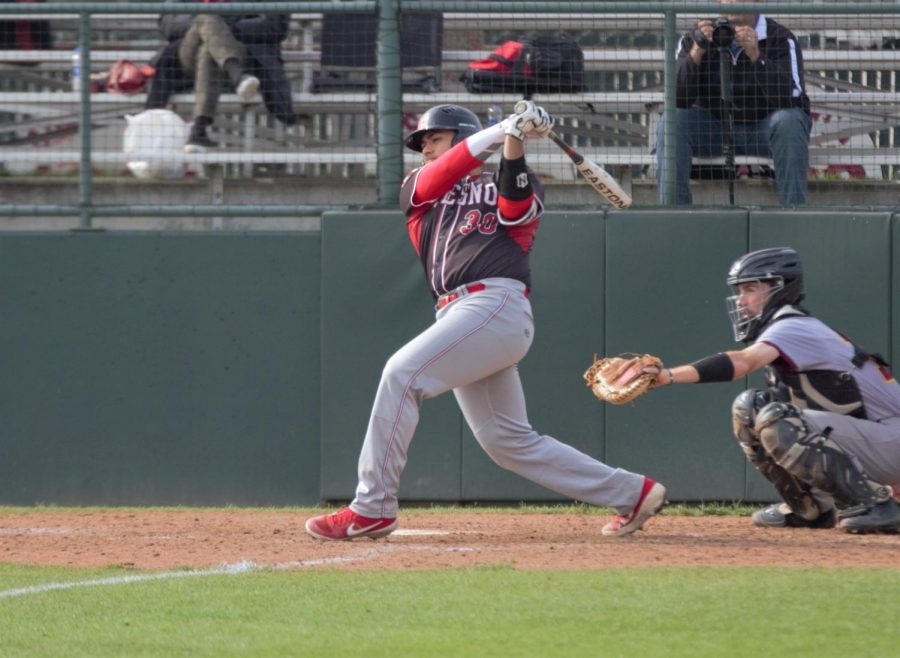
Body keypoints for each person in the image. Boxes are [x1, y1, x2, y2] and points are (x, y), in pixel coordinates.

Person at [305, 102, 667, 541]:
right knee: (507, 441)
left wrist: (513, 138)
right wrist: (504, 128)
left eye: (434, 139)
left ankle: (372, 508)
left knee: (401, 374)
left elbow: (515, 208)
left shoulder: (513, 182)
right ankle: (632, 493)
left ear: (459, 136)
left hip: (494, 304)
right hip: (461, 314)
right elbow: (444, 173)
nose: (426, 150)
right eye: (422, 143)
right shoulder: (419, 189)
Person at [643, 247, 900, 534]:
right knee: (750, 407)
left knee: (776, 418)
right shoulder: (785, 328)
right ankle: (811, 508)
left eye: (750, 289)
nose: (741, 300)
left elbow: (742, 363)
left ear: (779, 288)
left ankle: (874, 504)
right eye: (739, 290)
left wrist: (667, 376)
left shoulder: (793, 326)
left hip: (891, 439)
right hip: (874, 439)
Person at [656, 0, 811, 206]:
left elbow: (792, 97)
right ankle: (673, 219)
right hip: (712, 129)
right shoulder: (695, 37)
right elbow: (676, 98)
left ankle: (794, 218)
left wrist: (757, 56)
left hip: (763, 129)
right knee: (672, 123)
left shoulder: (781, 38)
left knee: (790, 121)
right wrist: (697, 52)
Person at [144, 0, 298, 153]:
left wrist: (227, 27)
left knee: (209, 50)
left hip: (245, 53)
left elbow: (276, 26)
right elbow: (169, 25)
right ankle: (238, 76)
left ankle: (199, 130)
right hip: (189, 54)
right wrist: (215, 22)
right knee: (208, 17)